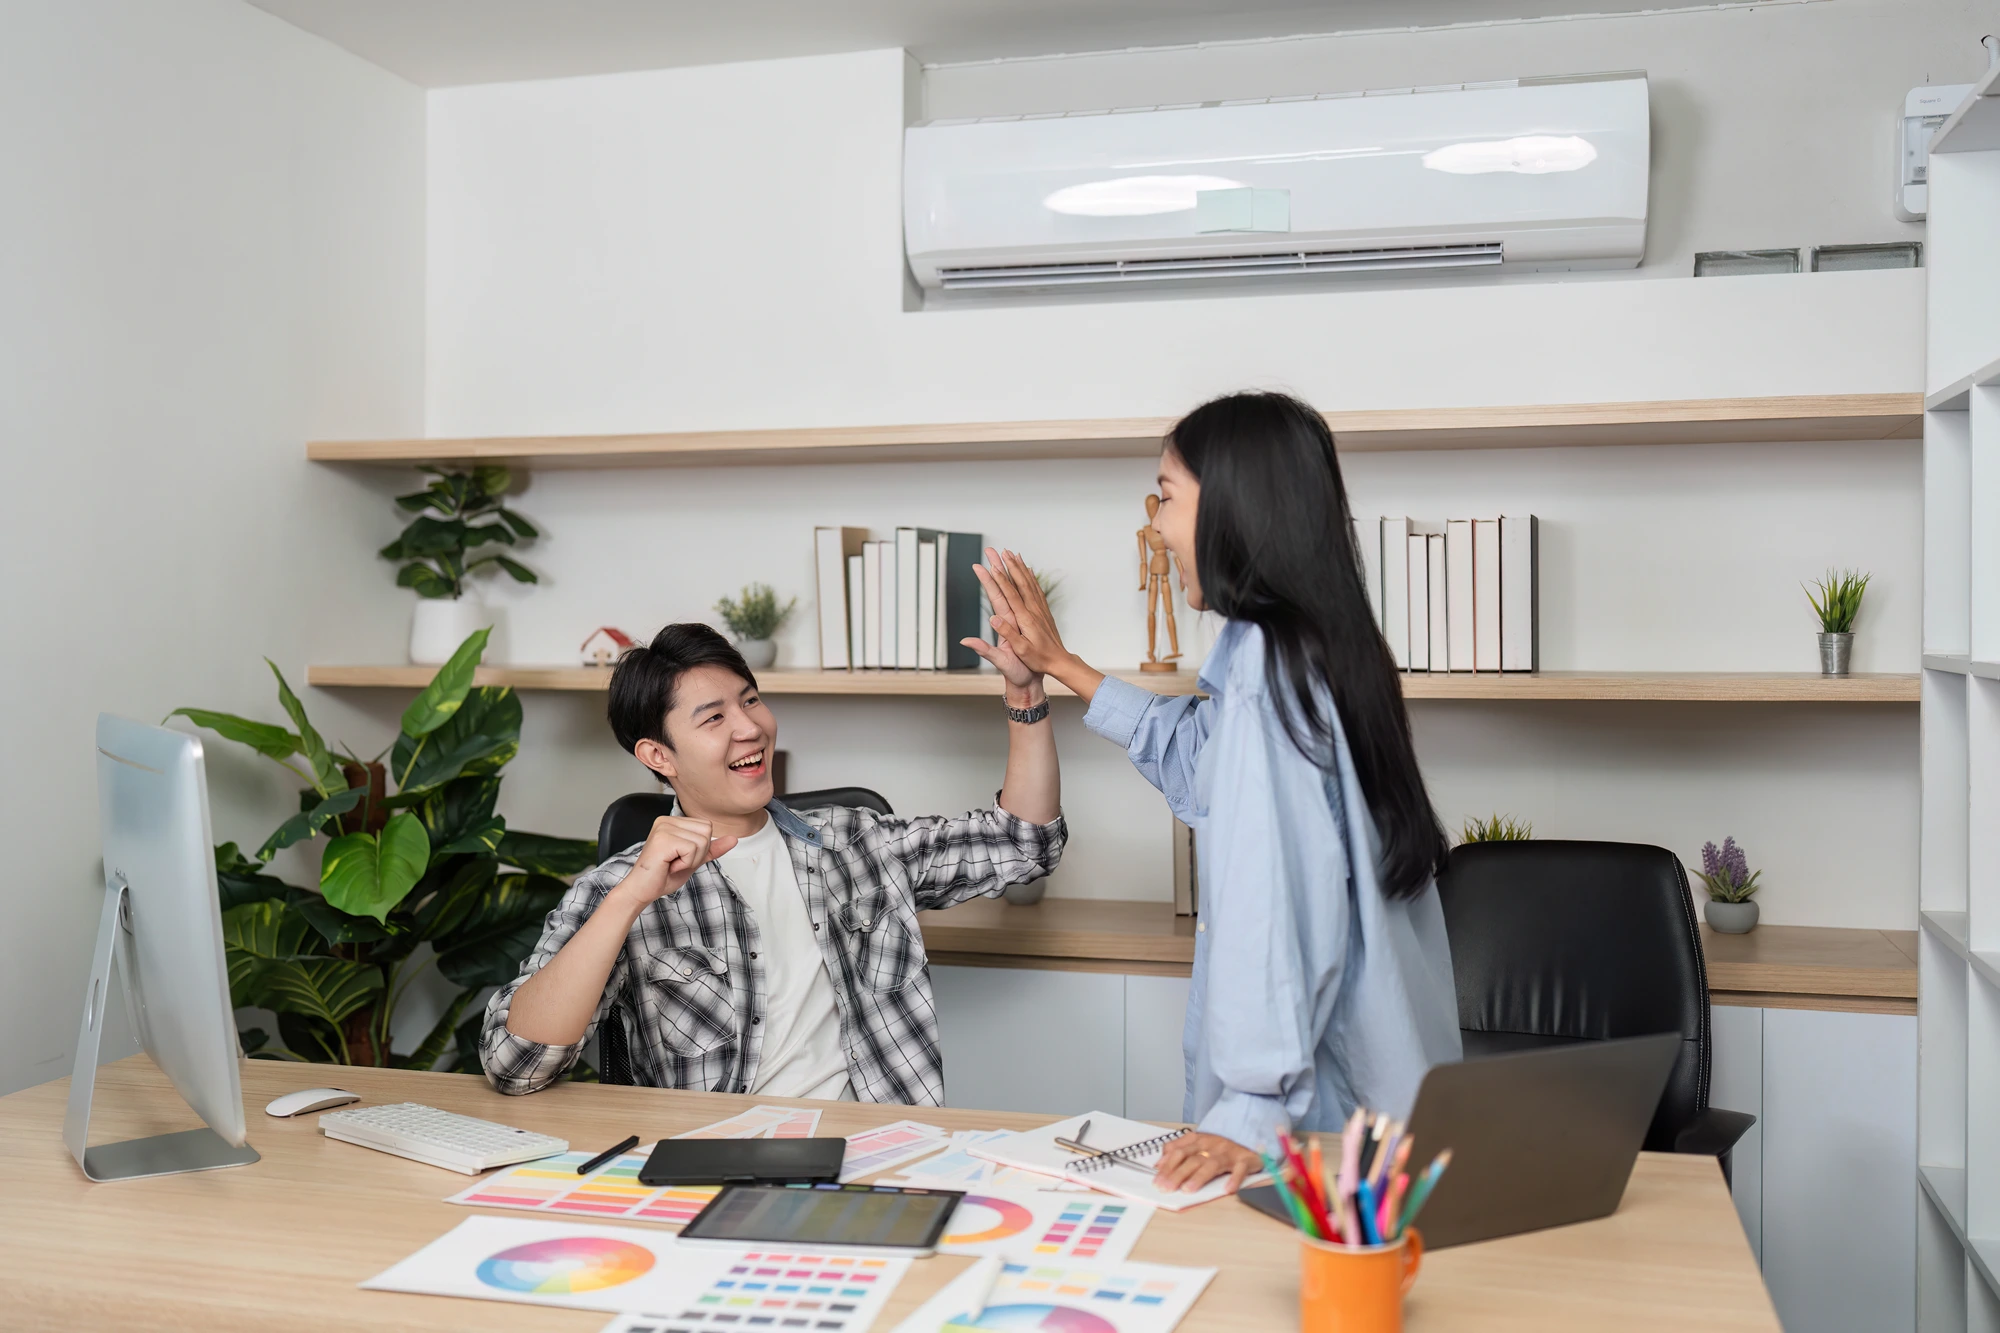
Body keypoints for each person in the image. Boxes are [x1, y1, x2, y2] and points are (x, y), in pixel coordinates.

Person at [974, 391, 1462, 1194]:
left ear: (1233, 506)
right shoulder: (1320, 646)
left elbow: (1271, 903)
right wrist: (1060, 664)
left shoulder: (1272, 670)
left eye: (1166, 496)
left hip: (1311, 1137)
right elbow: (1201, 759)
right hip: (1390, 1113)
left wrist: (1248, 1110)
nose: (1157, 526)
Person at [479, 612, 1064, 1104]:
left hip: (880, 1155)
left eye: (751, 701)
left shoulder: (858, 844)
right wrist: (629, 898)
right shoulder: (618, 889)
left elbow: (1023, 843)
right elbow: (516, 1064)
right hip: (711, 1165)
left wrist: (1025, 694)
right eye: (714, 718)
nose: (751, 729)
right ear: (660, 755)